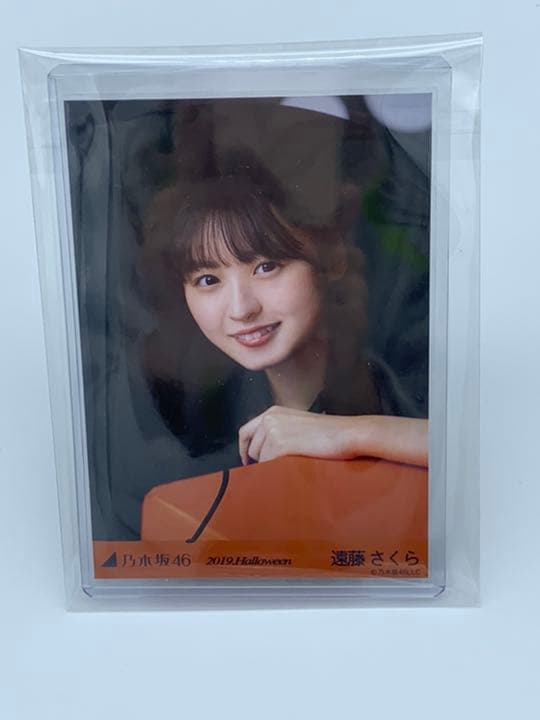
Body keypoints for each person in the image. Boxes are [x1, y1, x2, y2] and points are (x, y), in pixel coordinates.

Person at [142, 155, 428, 472]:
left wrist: (348, 434)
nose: (241, 309)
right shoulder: (195, 430)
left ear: (333, 258)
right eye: (208, 280)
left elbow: (471, 448)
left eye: (267, 267)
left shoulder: (421, 370)